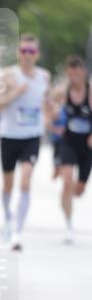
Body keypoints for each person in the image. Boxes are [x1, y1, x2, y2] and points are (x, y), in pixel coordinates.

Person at [0, 33, 50, 251]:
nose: (27, 55)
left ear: (38, 54)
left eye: (31, 51)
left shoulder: (45, 76)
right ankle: (7, 217)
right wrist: (15, 92)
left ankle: (17, 233)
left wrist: (50, 112)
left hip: (32, 136)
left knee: (25, 181)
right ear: (18, 53)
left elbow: (45, 102)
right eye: (23, 51)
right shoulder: (7, 75)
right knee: (8, 183)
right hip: (9, 136)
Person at [56, 55, 92, 244]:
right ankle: (69, 225)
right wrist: (53, 125)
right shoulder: (63, 91)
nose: (74, 79)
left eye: (77, 75)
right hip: (68, 142)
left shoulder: (90, 92)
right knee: (67, 182)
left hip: (87, 146)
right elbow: (47, 106)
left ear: (83, 74)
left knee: (79, 189)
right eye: (70, 75)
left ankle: (77, 189)